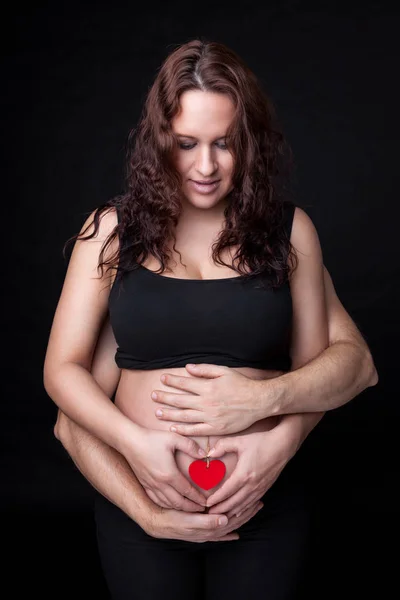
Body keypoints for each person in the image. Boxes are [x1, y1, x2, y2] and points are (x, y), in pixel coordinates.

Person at [44, 39, 378, 599]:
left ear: (248, 144)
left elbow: (322, 371)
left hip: (264, 497)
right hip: (141, 500)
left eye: (224, 143)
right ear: (159, 143)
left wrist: (275, 443)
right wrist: (135, 445)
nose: (205, 165)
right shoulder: (109, 231)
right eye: (186, 144)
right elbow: (62, 372)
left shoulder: (291, 233)